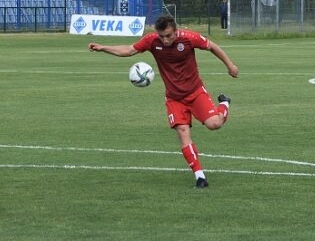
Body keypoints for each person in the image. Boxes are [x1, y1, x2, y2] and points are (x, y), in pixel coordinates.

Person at [88, 15, 239, 188]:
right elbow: (129, 50)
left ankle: (224, 103)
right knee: (183, 132)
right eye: (162, 36)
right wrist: (103, 48)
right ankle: (200, 177)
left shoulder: (189, 38)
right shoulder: (152, 41)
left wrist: (230, 66)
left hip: (195, 92)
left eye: (168, 35)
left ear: (176, 31)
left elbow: (212, 46)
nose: (165, 40)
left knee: (215, 124)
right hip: (174, 98)